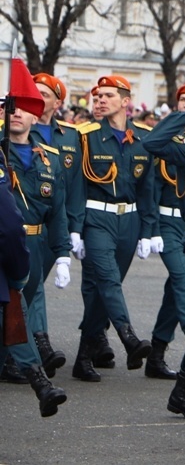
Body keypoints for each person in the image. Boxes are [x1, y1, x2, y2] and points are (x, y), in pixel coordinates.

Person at [67, 75, 158, 382]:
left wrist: (148, 230)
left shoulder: (144, 138)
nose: (100, 101)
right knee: (108, 281)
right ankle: (128, 336)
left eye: (107, 95)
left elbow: (148, 189)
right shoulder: (86, 135)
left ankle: (83, 356)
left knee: (103, 289)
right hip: (97, 218)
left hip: (128, 221)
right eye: (97, 96)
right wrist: (76, 228)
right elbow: (77, 184)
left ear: (125, 100)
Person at [0, 106, 70, 417]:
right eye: (8, 109)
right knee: (17, 311)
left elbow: (58, 209)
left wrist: (63, 251)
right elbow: (9, 224)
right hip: (11, 247)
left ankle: (33, 375)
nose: (15, 115)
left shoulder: (48, 158)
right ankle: (38, 378)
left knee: (16, 315)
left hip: (31, 244)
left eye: (23, 110)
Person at [142, 82, 185, 381]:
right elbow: (152, 184)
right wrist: (151, 227)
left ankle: (156, 353)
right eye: (183, 99)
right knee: (181, 276)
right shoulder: (168, 139)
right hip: (167, 221)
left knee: (175, 290)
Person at [28, 73, 82, 375]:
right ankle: (39, 344)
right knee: (31, 287)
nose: (37, 98)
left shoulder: (71, 136)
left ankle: (29, 348)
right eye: (33, 93)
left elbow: (73, 188)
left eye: (44, 94)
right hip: (27, 221)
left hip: (54, 224)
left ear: (57, 102)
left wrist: (74, 229)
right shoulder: (18, 128)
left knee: (32, 286)